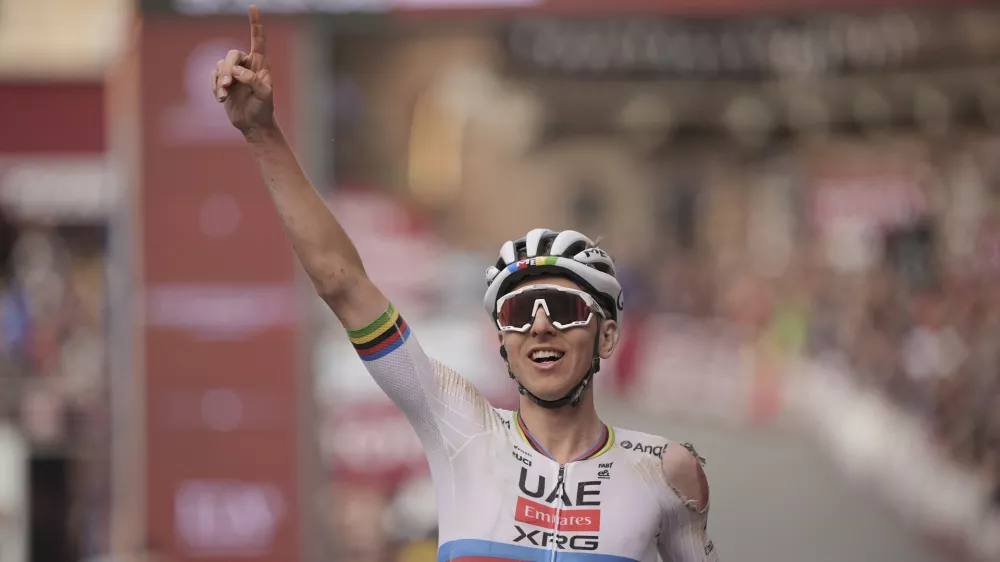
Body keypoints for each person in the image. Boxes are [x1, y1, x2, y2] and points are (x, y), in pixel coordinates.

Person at [210, 7, 719, 561]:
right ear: (501, 338)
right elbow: (342, 283)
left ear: (608, 337)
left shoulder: (666, 472)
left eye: (565, 307)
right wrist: (262, 133)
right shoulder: (460, 429)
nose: (540, 323)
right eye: (520, 310)